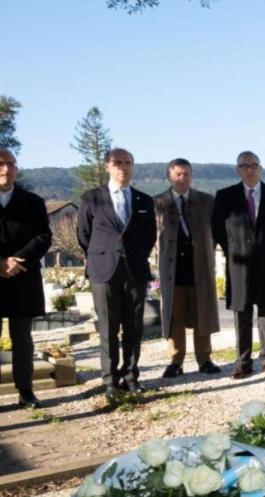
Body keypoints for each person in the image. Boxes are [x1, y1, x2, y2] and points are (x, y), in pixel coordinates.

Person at [77, 148, 156, 402]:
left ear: (133, 166)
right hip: (104, 271)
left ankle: (131, 376)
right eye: (117, 162)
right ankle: (110, 381)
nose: (123, 167)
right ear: (107, 167)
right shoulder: (92, 198)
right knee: (108, 328)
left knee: (134, 326)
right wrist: (104, 254)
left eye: (127, 162)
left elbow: (150, 235)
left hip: (135, 270)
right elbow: (83, 235)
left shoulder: (144, 200)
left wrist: (134, 253)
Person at [212, 151, 265, 379]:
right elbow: (218, 228)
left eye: (253, 165)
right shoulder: (225, 196)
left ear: (260, 168)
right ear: (237, 169)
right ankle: (243, 362)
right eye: (244, 166)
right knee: (242, 313)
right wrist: (232, 250)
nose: (249, 169)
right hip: (239, 263)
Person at [154, 158, 221, 379]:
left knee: (203, 312)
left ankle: (205, 358)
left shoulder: (206, 201)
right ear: (169, 177)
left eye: (186, 174)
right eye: (178, 174)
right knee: (174, 316)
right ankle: (175, 361)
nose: (182, 179)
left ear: (192, 176)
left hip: (199, 267)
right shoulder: (158, 203)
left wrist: (208, 252)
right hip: (172, 269)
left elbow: (217, 232)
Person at [0, 149, 51, 409]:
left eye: (11, 164)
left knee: (22, 338)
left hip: (23, 277)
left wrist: (17, 261)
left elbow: (43, 236)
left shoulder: (32, 201)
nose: (6, 169)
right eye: (1, 164)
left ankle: (26, 390)